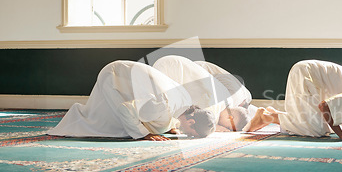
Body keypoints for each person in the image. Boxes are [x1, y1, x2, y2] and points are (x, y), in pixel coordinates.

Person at [47, 60, 216, 140]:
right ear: (192, 122)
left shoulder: (185, 101)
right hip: (115, 77)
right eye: (192, 134)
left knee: (145, 121)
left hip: (126, 71)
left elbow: (168, 115)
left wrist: (170, 127)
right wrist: (144, 135)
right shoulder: (162, 107)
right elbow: (125, 109)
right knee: (114, 125)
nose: (188, 135)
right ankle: (78, 115)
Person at [244, 60, 342, 139]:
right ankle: (266, 117)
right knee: (316, 129)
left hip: (312, 77)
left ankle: (273, 115)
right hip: (306, 74)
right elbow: (324, 106)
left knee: (324, 127)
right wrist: (341, 134)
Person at [153, 56, 250, 132]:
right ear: (230, 118)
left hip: (171, 62)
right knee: (162, 121)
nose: (225, 127)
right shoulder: (213, 107)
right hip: (166, 70)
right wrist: (214, 128)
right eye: (228, 127)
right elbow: (189, 121)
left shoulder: (227, 98)